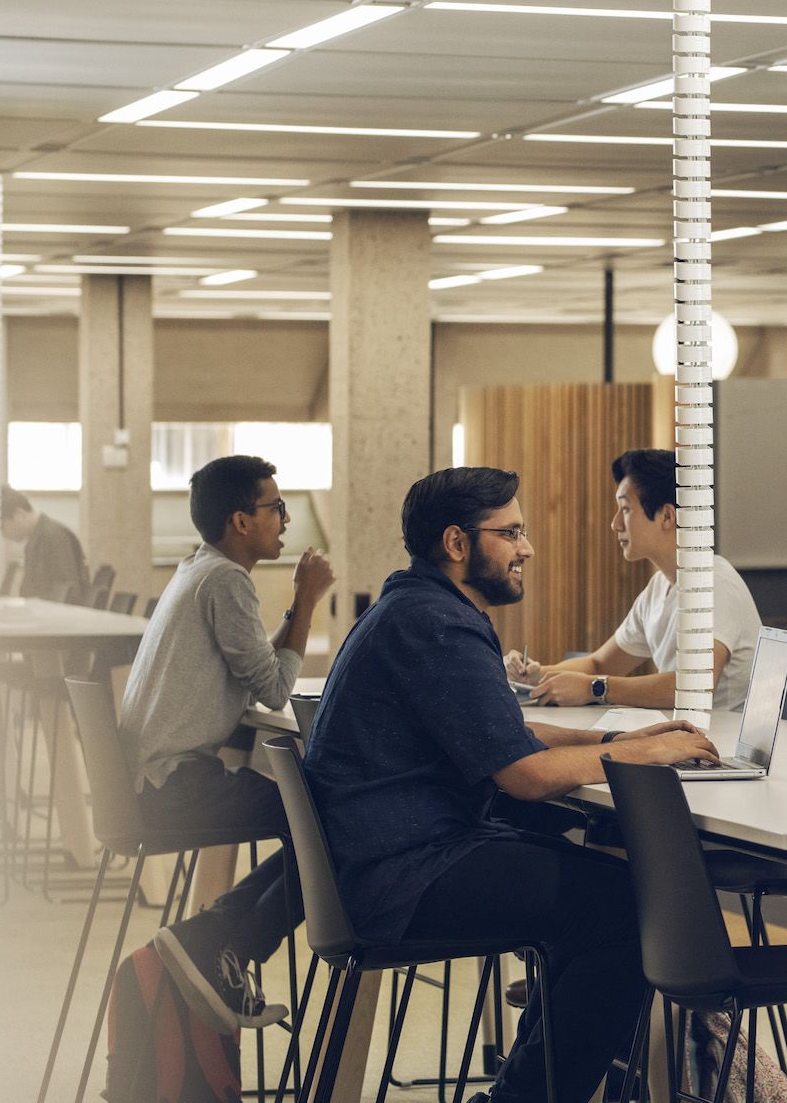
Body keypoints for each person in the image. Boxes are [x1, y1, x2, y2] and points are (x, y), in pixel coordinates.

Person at [304, 466, 722, 1103]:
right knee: (628, 910)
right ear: (457, 543)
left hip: (379, 859)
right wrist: (647, 756)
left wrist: (620, 743)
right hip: (401, 873)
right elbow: (525, 776)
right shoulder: (440, 624)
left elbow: (506, 730)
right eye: (511, 533)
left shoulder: (414, 608)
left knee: (602, 893)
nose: (527, 548)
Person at [118, 455, 335, 1031]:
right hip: (176, 786)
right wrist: (308, 599)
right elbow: (274, 689)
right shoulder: (226, 580)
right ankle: (222, 947)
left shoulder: (199, 570)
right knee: (329, 826)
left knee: (316, 822)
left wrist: (293, 608)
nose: (285, 520)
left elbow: (254, 665)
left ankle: (213, 940)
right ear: (241, 521)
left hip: (158, 780)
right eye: (276, 508)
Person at [528, 448, 762, 712]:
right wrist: (534, 676)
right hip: (680, 739)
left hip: (718, 746)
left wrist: (595, 687)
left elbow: (694, 687)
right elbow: (600, 664)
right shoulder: (659, 587)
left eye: (625, 509)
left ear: (666, 516)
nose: (615, 524)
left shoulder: (713, 583)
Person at [0, 486, 89, 601]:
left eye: (2, 527)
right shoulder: (40, 536)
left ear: (19, 515)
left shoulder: (53, 536)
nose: (4, 535)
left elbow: (68, 592)